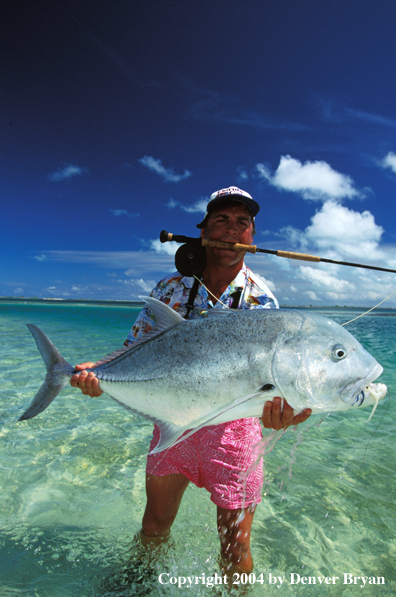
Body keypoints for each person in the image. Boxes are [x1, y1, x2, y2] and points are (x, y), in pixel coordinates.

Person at [71, 186, 311, 576]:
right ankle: (139, 584)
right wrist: (99, 372)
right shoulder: (169, 289)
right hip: (173, 423)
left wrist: (288, 413)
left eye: (242, 223)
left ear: (252, 237)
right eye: (221, 220)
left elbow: (276, 382)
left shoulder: (262, 302)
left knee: (235, 548)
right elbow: (135, 351)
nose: (231, 230)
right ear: (203, 231)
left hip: (234, 435)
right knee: (153, 527)